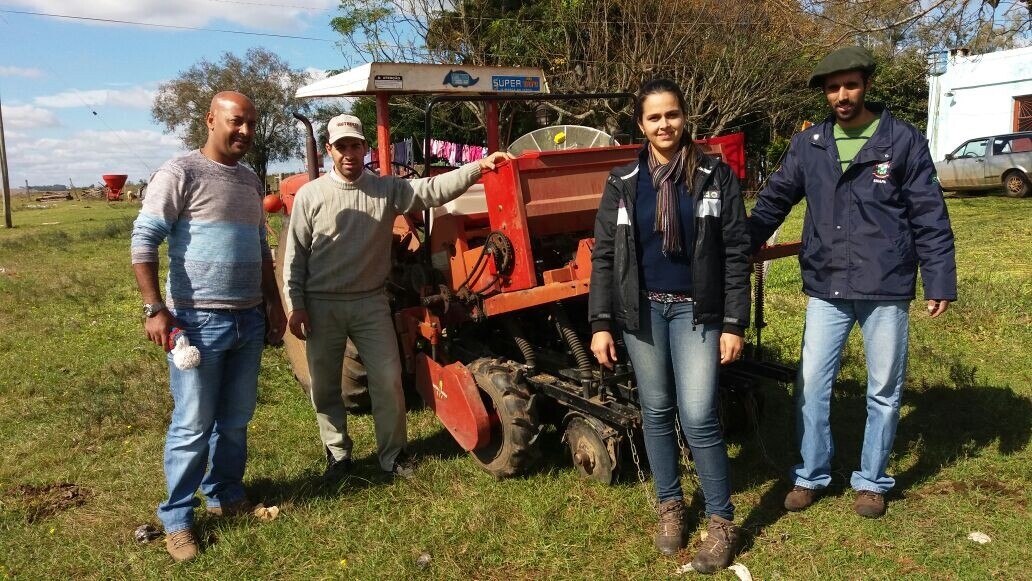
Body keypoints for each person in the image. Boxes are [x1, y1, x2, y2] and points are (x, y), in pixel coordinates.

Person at [747, 46, 957, 519]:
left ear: (866, 85)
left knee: (884, 388)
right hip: (827, 285)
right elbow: (774, 200)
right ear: (825, 93)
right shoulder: (810, 144)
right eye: (832, 88)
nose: (842, 95)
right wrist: (739, 248)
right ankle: (811, 474)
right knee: (812, 385)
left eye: (850, 85)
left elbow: (929, 214)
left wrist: (939, 278)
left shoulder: (902, 141)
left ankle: (872, 480)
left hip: (885, 284)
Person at [282, 114, 512, 482]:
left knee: (388, 379)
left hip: (371, 301)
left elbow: (432, 190)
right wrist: (295, 306)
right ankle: (338, 454)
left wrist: (477, 169)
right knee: (326, 385)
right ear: (329, 151)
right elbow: (294, 257)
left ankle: (393, 455)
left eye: (355, 145)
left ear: (364, 148)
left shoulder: (386, 189)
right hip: (322, 302)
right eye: (341, 147)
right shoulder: (311, 195)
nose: (349, 153)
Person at [588, 79, 751, 573]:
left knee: (698, 415)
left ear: (685, 118)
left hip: (696, 312)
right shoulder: (622, 182)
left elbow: (737, 253)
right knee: (656, 412)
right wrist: (600, 322)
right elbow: (605, 257)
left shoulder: (714, 176)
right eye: (654, 117)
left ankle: (722, 521)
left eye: (672, 115)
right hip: (644, 313)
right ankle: (671, 507)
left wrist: (733, 322)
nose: (665, 125)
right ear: (641, 125)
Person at [130, 91, 287, 562]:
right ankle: (177, 519)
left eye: (252, 124)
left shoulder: (249, 180)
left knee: (235, 420)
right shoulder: (180, 172)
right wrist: (154, 309)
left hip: (248, 318)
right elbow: (144, 241)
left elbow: (262, 249)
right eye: (236, 122)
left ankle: (224, 495)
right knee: (193, 423)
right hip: (197, 322)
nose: (245, 132)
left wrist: (273, 307)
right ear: (211, 120)